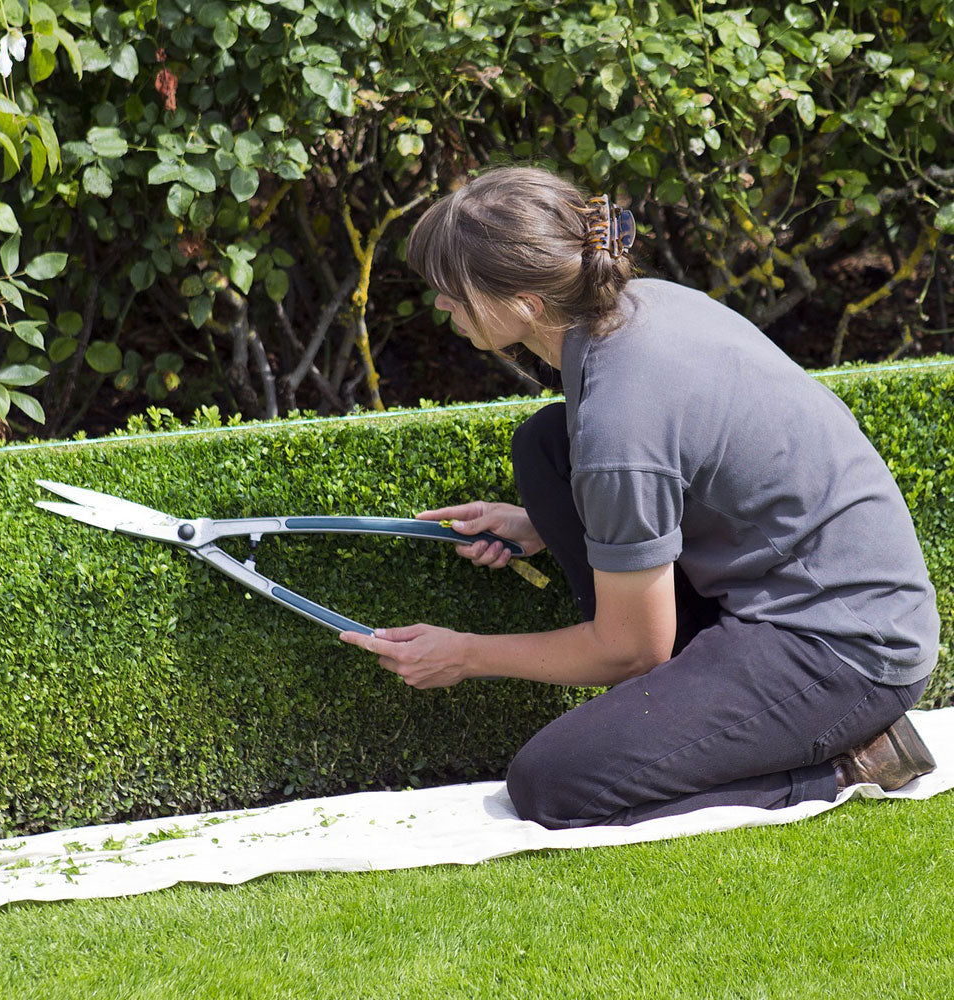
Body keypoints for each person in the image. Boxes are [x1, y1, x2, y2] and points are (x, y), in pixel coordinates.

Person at [339, 166, 939, 829]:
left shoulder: (620, 420)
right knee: (545, 448)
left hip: (844, 649)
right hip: (812, 593)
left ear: (526, 303)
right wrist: (538, 524)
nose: (441, 307)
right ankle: (693, 718)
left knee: (553, 785)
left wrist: (465, 654)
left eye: (451, 293)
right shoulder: (638, 307)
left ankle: (847, 763)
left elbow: (632, 651)